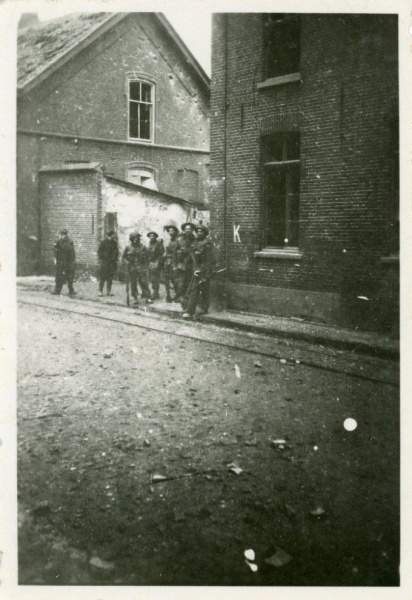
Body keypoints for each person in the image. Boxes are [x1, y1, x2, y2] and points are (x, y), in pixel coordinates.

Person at [183, 225, 216, 319]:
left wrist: (202, 271)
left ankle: (199, 309)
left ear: (205, 233)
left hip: (204, 271)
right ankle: (191, 310)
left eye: (201, 232)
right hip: (195, 269)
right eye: (198, 231)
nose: (199, 233)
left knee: (202, 290)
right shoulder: (195, 242)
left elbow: (209, 261)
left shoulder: (207, 244)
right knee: (195, 290)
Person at [122, 232, 153, 306]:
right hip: (132, 267)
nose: (136, 239)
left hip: (141, 267)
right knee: (133, 283)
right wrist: (126, 262)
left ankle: (148, 297)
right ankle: (135, 297)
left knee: (144, 282)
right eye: (134, 238)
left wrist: (146, 266)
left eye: (137, 238)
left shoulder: (143, 247)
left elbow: (147, 257)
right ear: (131, 239)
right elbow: (123, 257)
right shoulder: (128, 247)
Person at [172, 222, 196, 303]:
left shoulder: (195, 240)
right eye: (186, 229)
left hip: (191, 264)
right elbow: (174, 253)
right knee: (180, 282)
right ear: (184, 230)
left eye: (189, 229)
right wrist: (174, 265)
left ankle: (187, 298)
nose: (188, 231)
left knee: (189, 282)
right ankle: (180, 296)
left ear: (192, 230)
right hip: (181, 264)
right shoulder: (179, 240)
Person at [52, 228, 76, 296]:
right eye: (64, 234)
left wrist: (73, 260)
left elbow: (72, 252)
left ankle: (65, 290)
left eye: (66, 234)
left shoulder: (68, 241)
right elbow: (55, 251)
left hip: (65, 262)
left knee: (66, 276)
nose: (65, 235)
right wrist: (55, 259)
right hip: (64, 262)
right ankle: (59, 290)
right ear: (63, 235)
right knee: (64, 276)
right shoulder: (60, 242)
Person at [97, 229, 119, 297]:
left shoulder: (114, 243)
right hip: (105, 263)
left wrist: (115, 258)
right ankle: (100, 291)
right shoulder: (103, 243)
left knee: (110, 278)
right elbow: (99, 252)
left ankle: (108, 291)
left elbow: (117, 251)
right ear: (110, 235)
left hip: (112, 263)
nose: (113, 236)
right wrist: (104, 257)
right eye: (113, 235)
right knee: (102, 277)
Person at [163, 223, 180, 302]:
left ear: (176, 231)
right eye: (169, 231)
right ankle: (169, 295)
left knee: (176, 279)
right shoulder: (169, 240)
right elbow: (167, 250)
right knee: (169, 278)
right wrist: (165, 254)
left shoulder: (179, 240)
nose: (170, 232)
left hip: (176, 262)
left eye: (172, 231)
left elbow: (177, 252)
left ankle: (179, 295)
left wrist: (169, 255)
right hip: (168, 261)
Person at [147, 231, 164, 301]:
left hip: (156, 262)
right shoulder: (149, 243)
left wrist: (158, 262)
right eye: (150, 236)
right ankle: (156, 293)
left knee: (154, 278)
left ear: (155, 237)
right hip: (150, 262)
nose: (151, 237)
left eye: (153, 236)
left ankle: (155, 292)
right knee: (152, 278)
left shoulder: (158, 244)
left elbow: (162, 253)